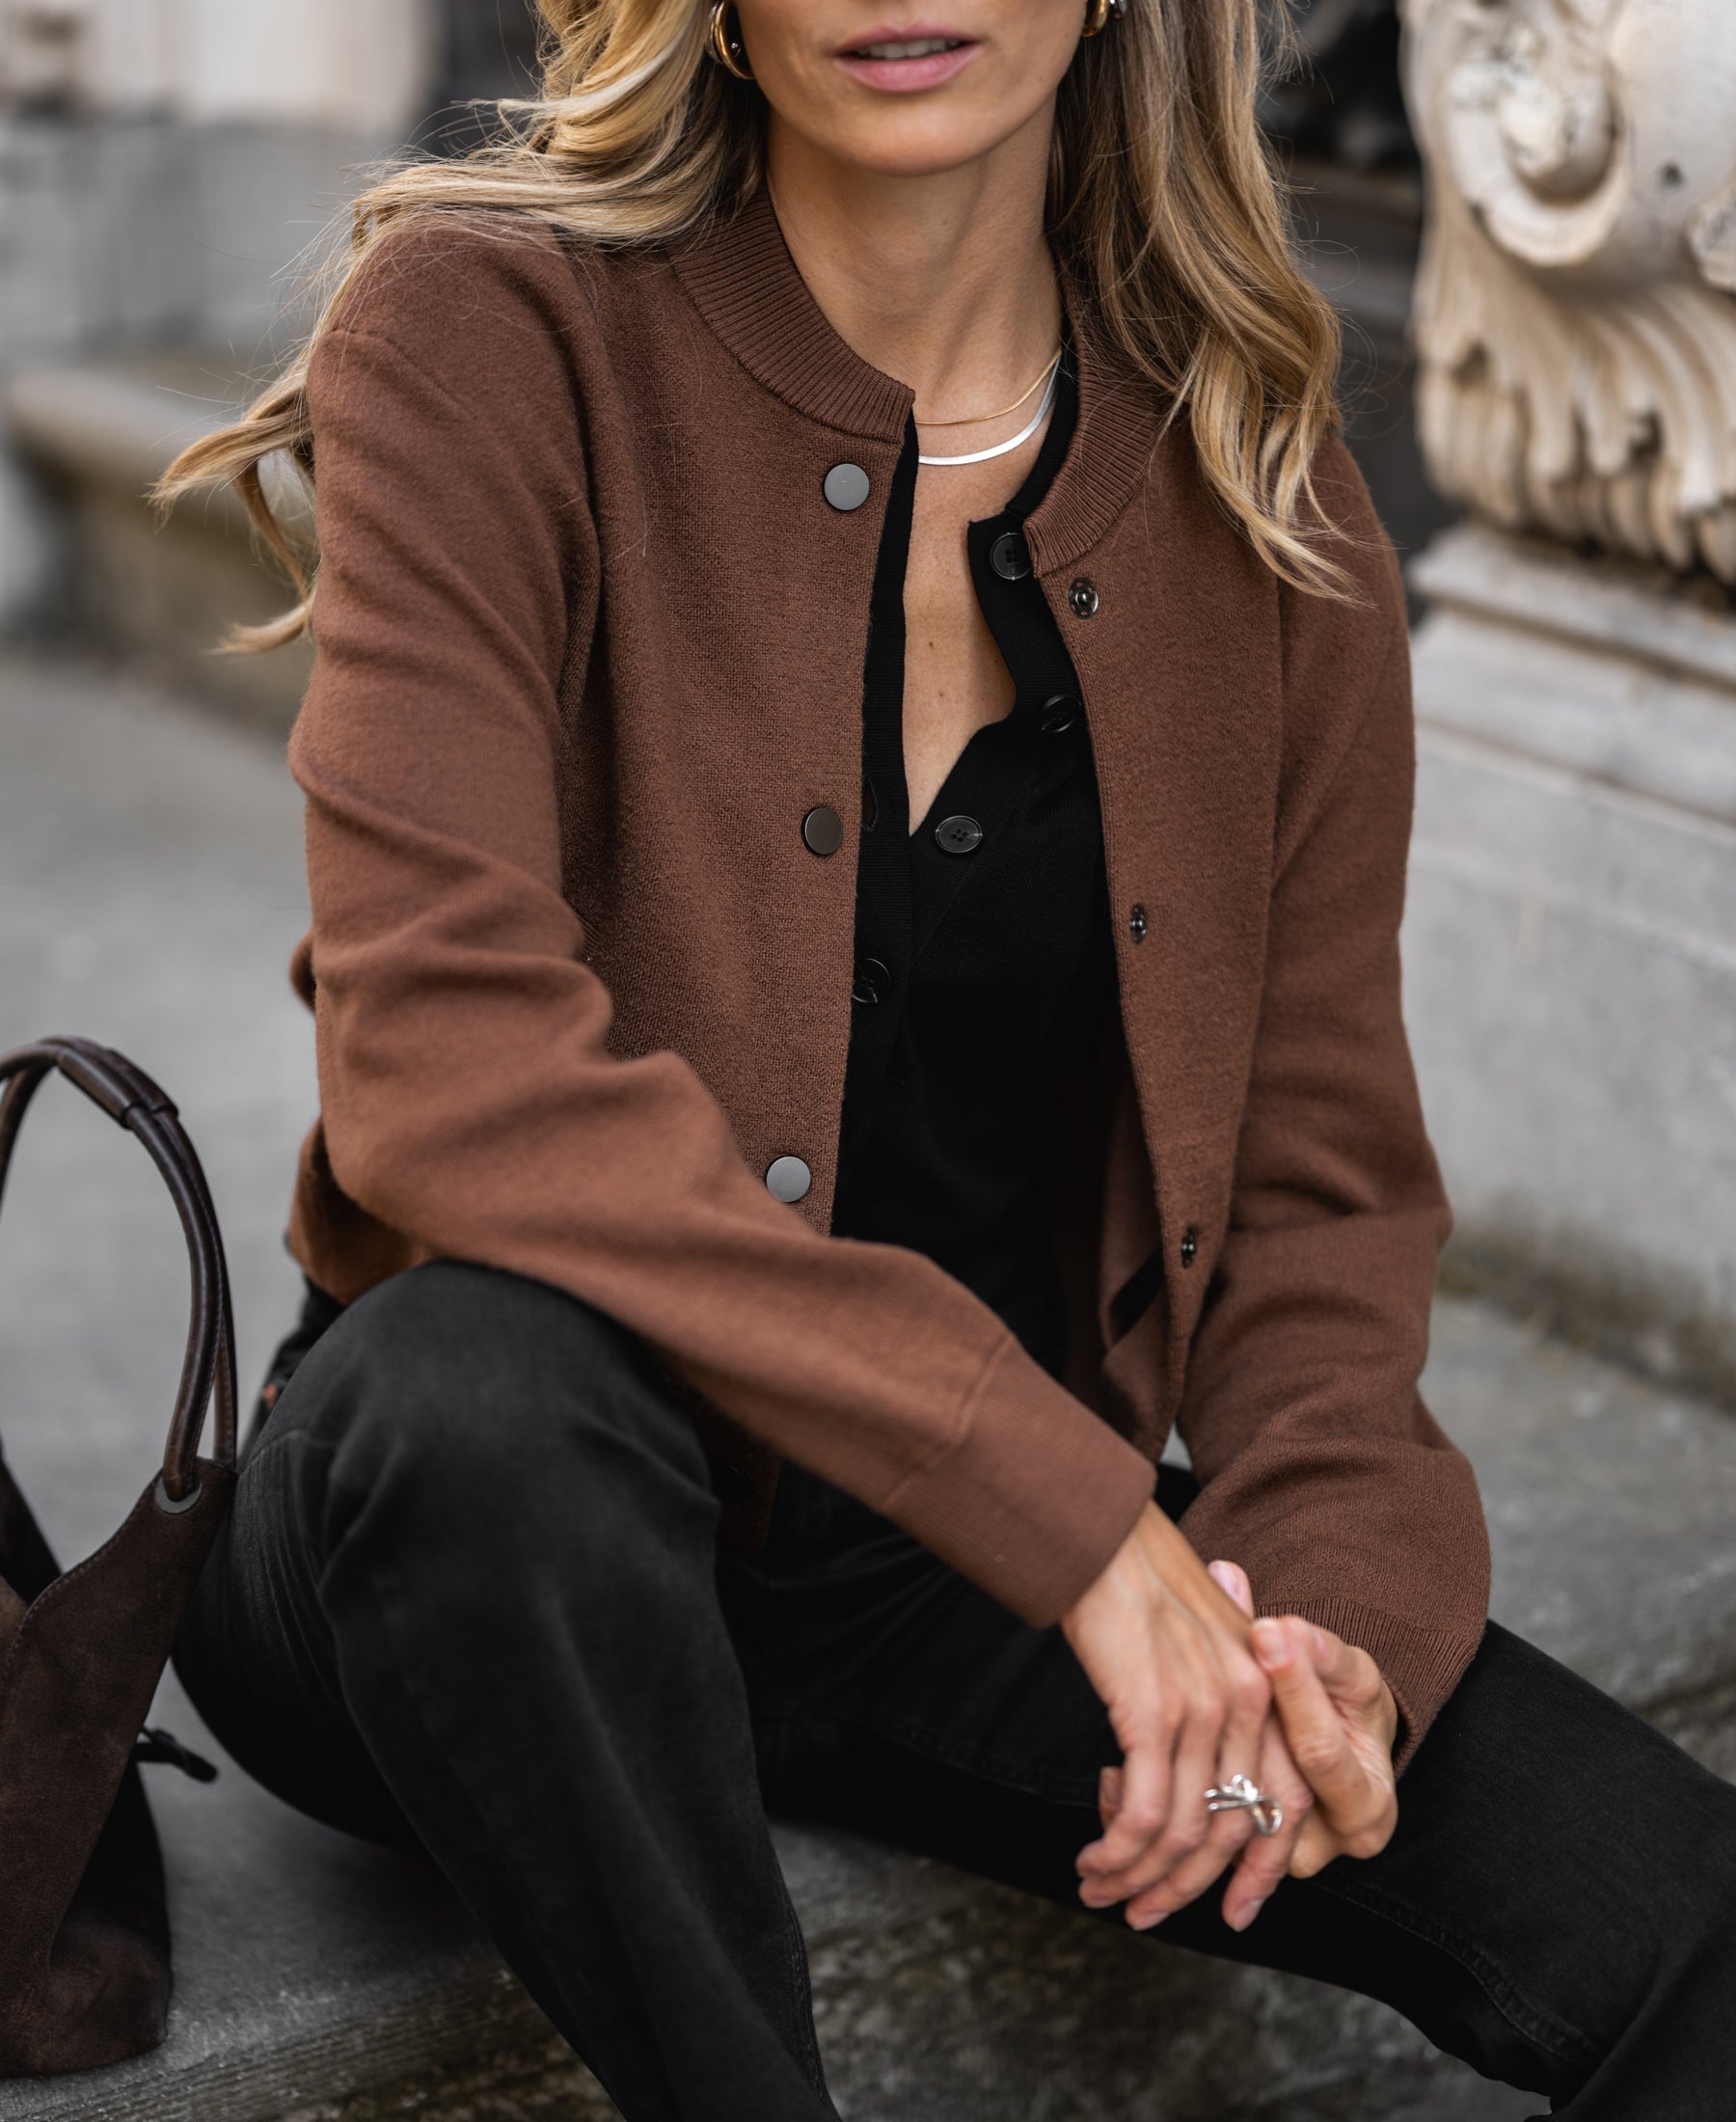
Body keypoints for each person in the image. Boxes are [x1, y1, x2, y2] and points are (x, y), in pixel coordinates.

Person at [161, 1, 1736, 2115]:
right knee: (477, 1394)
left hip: (936, 1583)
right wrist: (1079, 1516)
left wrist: (1328, 1616)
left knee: (1671, 1908)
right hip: (468, 1540)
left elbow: (1316, 1192)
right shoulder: (489, 333)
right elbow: (442, 1056)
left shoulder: (1268, 497)